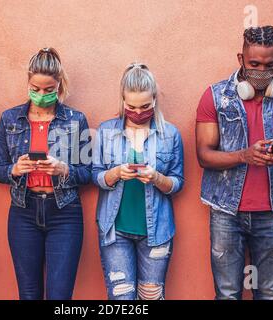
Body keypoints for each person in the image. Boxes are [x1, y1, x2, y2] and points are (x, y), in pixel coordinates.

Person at [196, 26, 273, 300]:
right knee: (227, 294)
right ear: (240, 59)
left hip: (272, 213)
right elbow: (203, 155)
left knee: (269, 294)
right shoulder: (215, 97)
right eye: (254, 64)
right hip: (226, 212)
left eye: (270, 65)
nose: (262, 71)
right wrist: (244, 155)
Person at [0, 47, 92, 300]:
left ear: (59, 85)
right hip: (23, 211)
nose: (41, 95)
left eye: (49, 90)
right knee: (28, 294)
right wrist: (14, 170)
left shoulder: (75, 120)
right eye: (35, 88)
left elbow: (88, 173)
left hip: (65, 213)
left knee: (60, 295)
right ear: (28, 83)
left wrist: (64, 169)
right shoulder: (10, 119)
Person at [92, 63, 184, 300]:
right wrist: (116, 174)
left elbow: (177, 182)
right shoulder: (105, 131)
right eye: (131, 106)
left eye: (145, 106)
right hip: (115, 230)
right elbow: (96, 176)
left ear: (154, 99)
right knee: (122, 300)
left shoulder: (170, 134)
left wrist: (156, 178)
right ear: (122, 100)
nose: (138, 111)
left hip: (157, 231)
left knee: (151, 297)